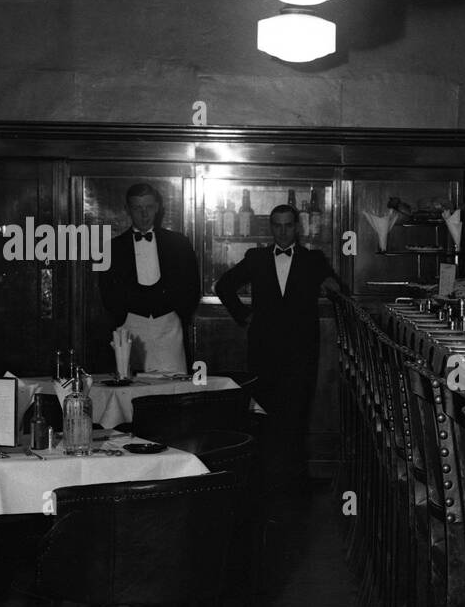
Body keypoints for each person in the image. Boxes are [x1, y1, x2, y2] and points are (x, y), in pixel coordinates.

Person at [215, 203, 345, 482]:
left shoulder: (314, 259)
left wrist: (333, 287)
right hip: (264, 349)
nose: (283, 232)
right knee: (263, 413)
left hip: (302, 350)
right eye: (277, 225)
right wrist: (244, 315)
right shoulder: (256, 257)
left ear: (297, 227)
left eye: (288, 225)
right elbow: (223, 285)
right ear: (271, 227)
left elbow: (337, 290)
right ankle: (262, 480)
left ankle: (298, 479)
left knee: (298, 414)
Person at [98, 183, 200, 373]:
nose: (144, 214)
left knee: (172, 389)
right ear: (127, 209)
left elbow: (192, 286)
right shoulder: (111, 248)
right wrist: (123, 317)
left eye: (149, 207)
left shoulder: (179, 243)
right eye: (137, 208)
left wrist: (178, 313)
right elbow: (106, 292)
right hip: (130, 327)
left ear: (159, 207)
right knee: (131, 389)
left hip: (169, 326)